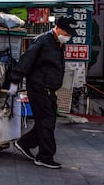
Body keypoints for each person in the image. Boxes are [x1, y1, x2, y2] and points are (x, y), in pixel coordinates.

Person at [8, 16, 78, 169]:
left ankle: (25, 143)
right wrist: (15, 80)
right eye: (67, 33)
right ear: (58, 28)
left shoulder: (58, 43)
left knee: (47, 120)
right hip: (39, 87)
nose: (68, 37)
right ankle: (45, 157)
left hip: (49, 89)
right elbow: (26, 60)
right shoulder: (43, 41)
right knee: (47, 121)